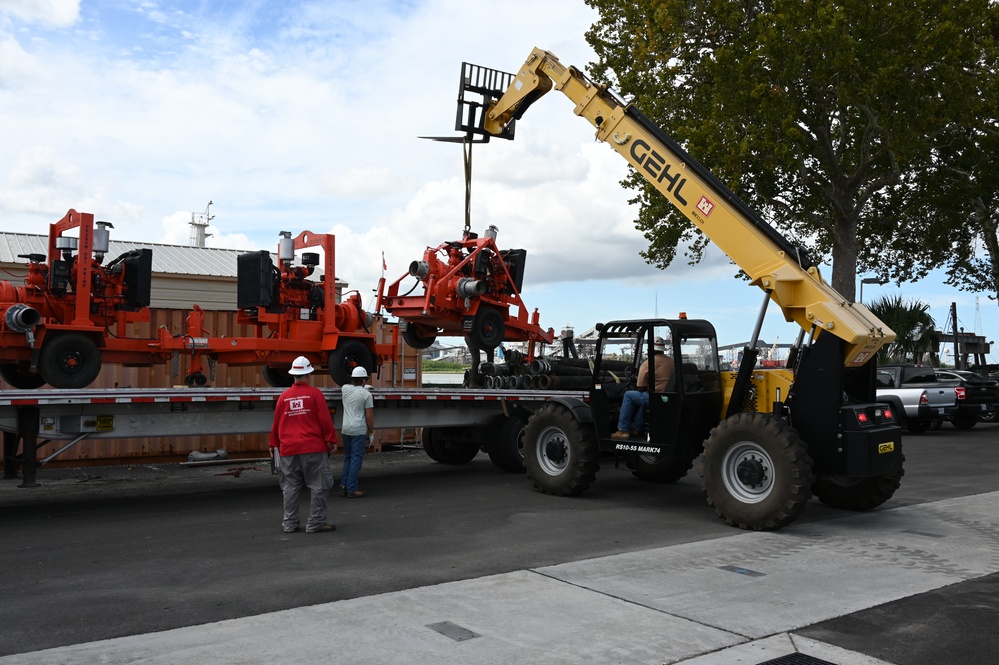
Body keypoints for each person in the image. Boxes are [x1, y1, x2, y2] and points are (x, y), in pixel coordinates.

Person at [269, 356, 337, 533]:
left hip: (288, 450)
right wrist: (331, 440)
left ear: (293, 375)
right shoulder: (315, 394)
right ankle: (315, 523)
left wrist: (273, 444)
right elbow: (325, 420)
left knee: (290, 488)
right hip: (313, 448)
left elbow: (276, 424)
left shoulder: (283, 397)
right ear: (308, 374)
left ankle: (290, 524)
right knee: (318, 485)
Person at [611, 336, 675, 439]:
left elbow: (640, 387)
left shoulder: (648, 363)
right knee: (644, 402)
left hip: (656, 397)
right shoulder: (672, 362)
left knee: (629, 395)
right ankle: (636, 428)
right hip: (670, 397)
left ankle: (623, 430)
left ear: (650, 349)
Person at [339, 365, 374, 498]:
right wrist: (371, 432)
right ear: (364, 380)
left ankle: (344, 486)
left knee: (348, 458)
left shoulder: (345, 389)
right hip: (358, 431)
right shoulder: (367, 395)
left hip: (346, 429)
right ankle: (352, 489)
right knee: (356, 459)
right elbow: (369, 417)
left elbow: (348, 386)